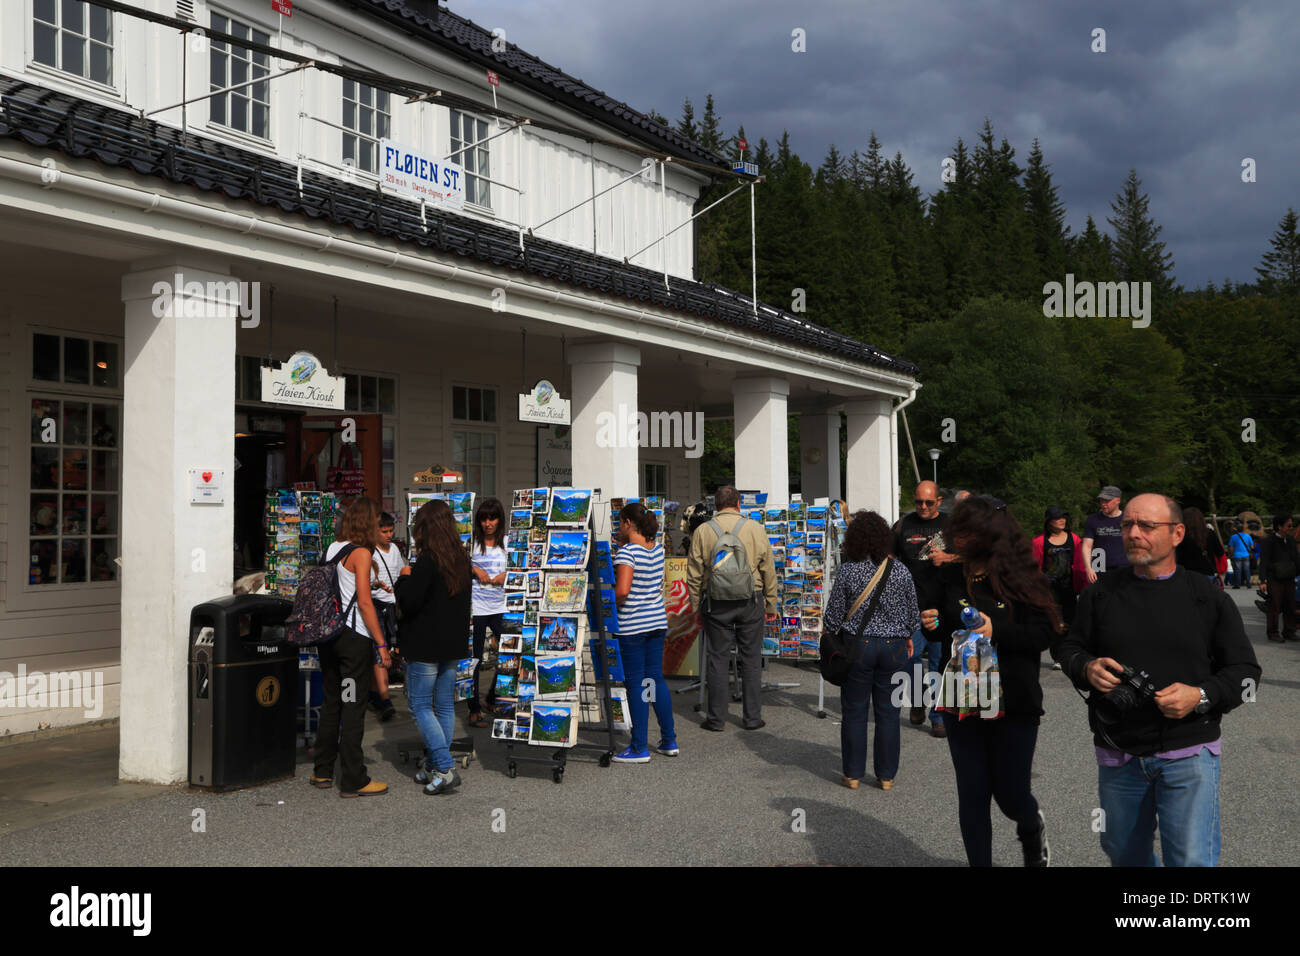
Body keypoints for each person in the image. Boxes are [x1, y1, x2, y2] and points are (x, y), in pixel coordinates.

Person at [1053, 494, 1261, 866]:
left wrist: (1200, 694)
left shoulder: (1207, 598)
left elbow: (1245, 672)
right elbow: (1068, 648)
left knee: (1191, 858)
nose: (1133, 534)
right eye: (1127, 525)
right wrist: (1085, 667)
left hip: (1188, 751)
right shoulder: (1100, 595)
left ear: (1177, 533)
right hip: (1119, 750)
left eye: (1146, 526)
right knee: (1123, 852)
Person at [920, 496, 1060, 866]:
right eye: (957, 532)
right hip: (963, 697)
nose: (959, 539)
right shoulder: (950, 574)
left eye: (967, 533)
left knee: (1012, 795)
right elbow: (940, 630)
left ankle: (1031, 827)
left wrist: (997, 629)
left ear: (990, 535)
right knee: (973, 792)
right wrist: (931, 624)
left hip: (1014, 699)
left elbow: (1044, 634)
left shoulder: (1022, 578)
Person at [825, 511, 918, 790]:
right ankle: (886, 776)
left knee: (854, 711)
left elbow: (832, 618)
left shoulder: (848, 570)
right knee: (888, 712)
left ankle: (853, 774)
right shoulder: (900, 570)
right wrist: (906, 635)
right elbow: (913, 616)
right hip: (893, 647)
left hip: (858, 646)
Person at [311, 497, 391, 797]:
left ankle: (322, 771)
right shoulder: (361, 553)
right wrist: (381, 644)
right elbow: (365, 604)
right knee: (353, 705)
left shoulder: (332, 548)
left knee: (333, 701)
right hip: (353, 639)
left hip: (328, 636)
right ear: (367, 523)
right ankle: (354, 779)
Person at [685, 485, 778, 731]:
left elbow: (693, 574)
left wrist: (696, 607)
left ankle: (716, 719)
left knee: (717, 658)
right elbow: (768, 568)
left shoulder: (703, 531)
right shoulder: (755, 528)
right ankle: (752, 718)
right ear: (738, 504)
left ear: (716, 505)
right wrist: (771, 603)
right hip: (751, 599)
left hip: (715, 602)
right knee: (750, 658)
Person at [396, 499, 473, 794]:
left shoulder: (427, 560)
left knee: (419, 706)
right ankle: (433, 764)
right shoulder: (461, 558)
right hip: (452, 644)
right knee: (443, 705)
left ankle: (443, 765)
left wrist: (403, 580)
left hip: (426, 643)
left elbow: (411, 601)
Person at [610, 502, 676, 762]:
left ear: (628, 523)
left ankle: (639, 747)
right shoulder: (657, 549)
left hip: (633, 626)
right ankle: (668, 740)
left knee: (636, 684)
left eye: (619, 522)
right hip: (656, 621)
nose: (618, 526)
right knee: (654, 681)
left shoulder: (627, 553)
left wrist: (603, 602)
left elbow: (623, 591)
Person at [894, 480, 949, 737]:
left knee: (938, 662)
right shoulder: (904, 525)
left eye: (929, 502)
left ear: (939, 501)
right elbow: (889, 558)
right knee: (909, 657)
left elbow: (973, 556)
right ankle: (917, 698)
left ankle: (938, 716)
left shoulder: (951, 526)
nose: (923, 507)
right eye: (918, 502)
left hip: (941, 607)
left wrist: (948, 557)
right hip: (910, 606)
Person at [467, 497, 508, 727]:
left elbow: (520, 568)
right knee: (474, 661)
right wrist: (475, 569)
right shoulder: (472, 544)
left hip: (501, 607)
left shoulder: (508, 543)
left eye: (492, 518)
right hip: (478, 608)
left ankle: (491, 697)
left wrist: (506, 575)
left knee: (514, 652)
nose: (488, 523)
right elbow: (460, 563)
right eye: (483, 518)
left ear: (499, 520)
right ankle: (473, 708)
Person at [367, 511, 406, 722]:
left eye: (391, 531)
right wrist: (374, 585)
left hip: (391, 607)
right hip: (374, 606)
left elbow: (401, 574)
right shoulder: (368, 552)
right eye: (384, 531)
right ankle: (384, 700)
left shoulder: (395, 552)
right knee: (380, 653)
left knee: (390, 651)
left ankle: (376, 694)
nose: (388, 535)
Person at [1031, 506, 1085, 630]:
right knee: (1054, 624)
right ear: (1048, 521)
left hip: (1070, 588)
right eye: (1057, 518)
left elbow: (1080, 563)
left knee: (1072, 623)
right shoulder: (1039, 541)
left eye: (1063, 517)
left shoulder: (1074, 538)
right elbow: (1035, 567)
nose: (1062, 520)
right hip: (1049, 590)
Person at [1259, 514, 1299, 643]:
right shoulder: (1268, 541)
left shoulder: (1291, 540)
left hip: (1289, 577)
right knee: (1274, 606)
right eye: (1288, 525)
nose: (1291, 527)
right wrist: (1262, 580)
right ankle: (1273, 632)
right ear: (1279, 526)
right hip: (1274, 577)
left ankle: (1289, 631)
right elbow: (1264, 561)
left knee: (1290, 604)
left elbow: (1297, 559)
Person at [1082, 486, 1128, 585]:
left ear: (1118, 501)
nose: (1103, 504)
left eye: (1107, 501)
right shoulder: (1092, 520)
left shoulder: (1128, 519)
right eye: (1101, 501)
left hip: (1125, 568)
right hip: (1099, 568)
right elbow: (1087, 546)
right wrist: (1088, 568)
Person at [1174, 506, 1225, 587]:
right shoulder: (1210, 534)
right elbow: (1220, 553)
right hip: (1208, 574)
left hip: (1186, 576)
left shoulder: (1181, 536)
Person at [1227, 523, 1253, 589]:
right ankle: (1248, 584)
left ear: (1237, 529)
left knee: (1238, 571)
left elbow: (1231, 547)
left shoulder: (1233, 537)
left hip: (1237, 555)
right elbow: (1252, 546)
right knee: (1247, 570)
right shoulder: (1248, 536)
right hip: (1246, 555)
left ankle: (1237, 584)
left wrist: (1230, 555)